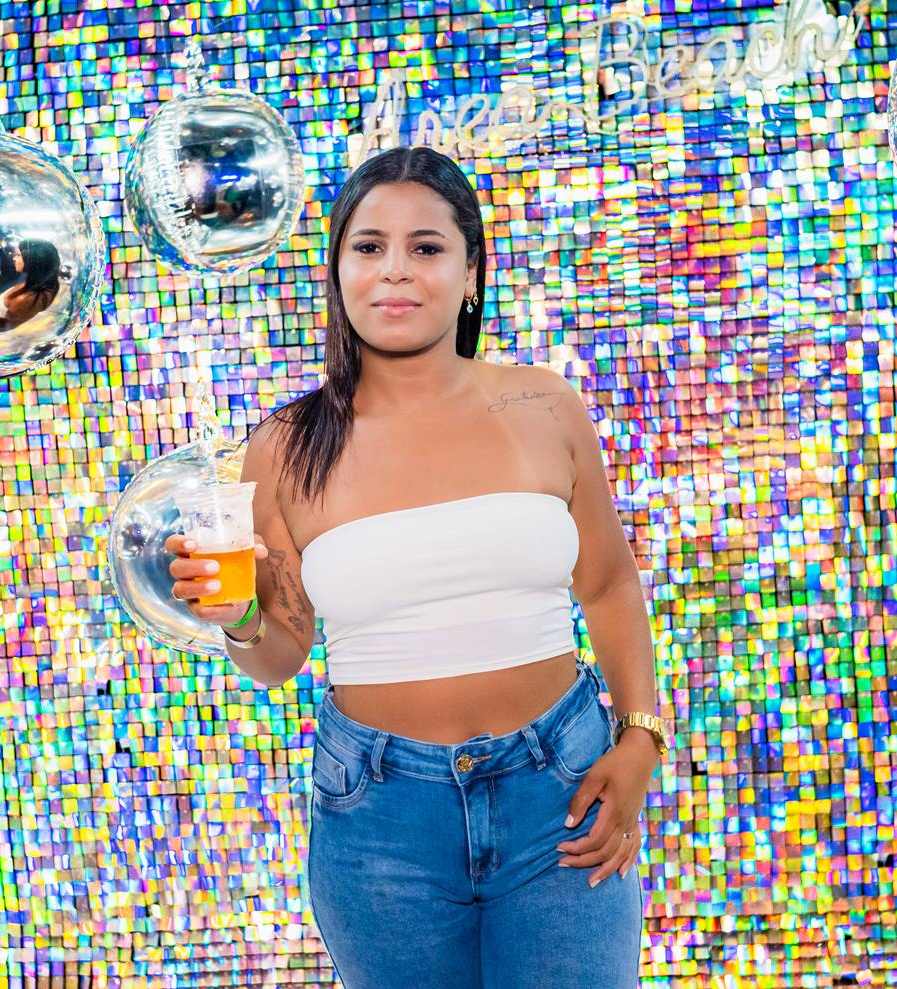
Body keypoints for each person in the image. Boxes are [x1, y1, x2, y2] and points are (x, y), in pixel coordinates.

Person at [166, 146, 665, 988]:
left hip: (562, 794)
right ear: (337, 274)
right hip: (380, 821)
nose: (395, 269)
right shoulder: (285, 447)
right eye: (369, 247)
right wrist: (240, 616)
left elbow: (610, 582)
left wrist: (641, 735)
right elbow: (281, 652)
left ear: (471, 273)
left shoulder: (544, 405)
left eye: (426, 247)